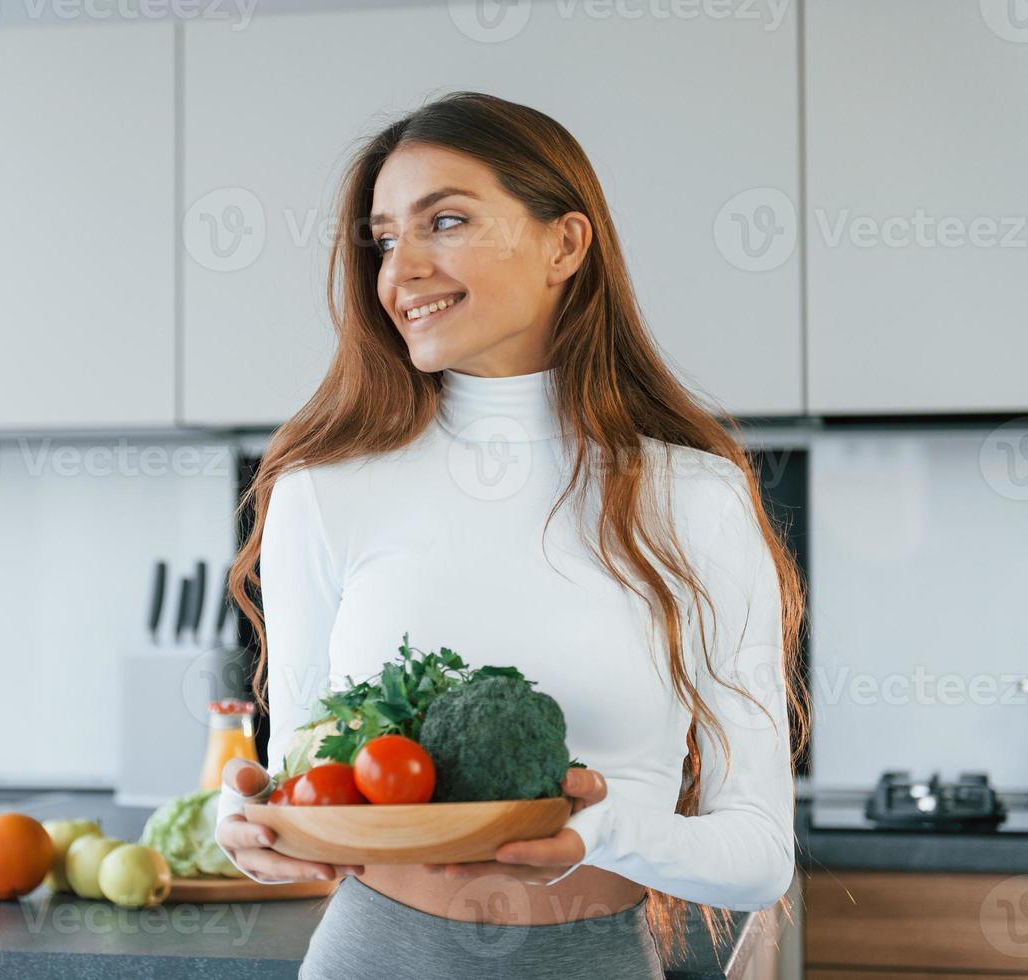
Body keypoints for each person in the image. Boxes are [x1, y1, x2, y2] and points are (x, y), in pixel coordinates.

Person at [212, 91, 809, 979]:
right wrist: (252, 821)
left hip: (597, 959)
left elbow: (759, 856)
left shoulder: (697, 496)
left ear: (565, 244)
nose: (400, 269)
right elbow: (307, 770)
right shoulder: (321, 487)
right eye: (382, 239)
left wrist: (594, 831)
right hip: (377, 955)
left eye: (443, 221)